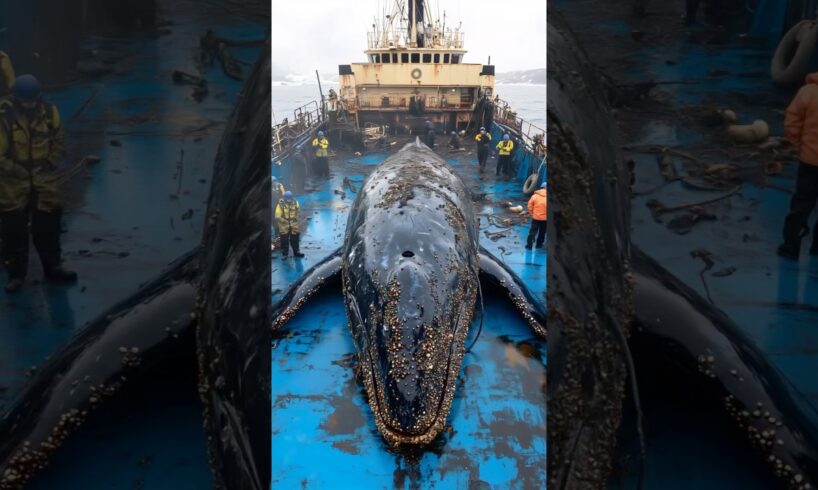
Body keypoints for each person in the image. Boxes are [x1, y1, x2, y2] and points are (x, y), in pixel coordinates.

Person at [0, 74, 77, 292]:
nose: (30, 105)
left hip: (43, 181)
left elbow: (59, 140)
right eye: (25, 102)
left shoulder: (50, 113)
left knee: (48, 228)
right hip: (13, 184)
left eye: (33, 101)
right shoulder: (3, 117)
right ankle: (15, 276)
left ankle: (53, 268)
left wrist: (50, 162)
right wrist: (19, 171)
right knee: (13, 233)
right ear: (16, 99)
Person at [780, 72, 818, 259]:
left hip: (809, 161)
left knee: (801, 204)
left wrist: (797, 145)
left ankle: (790, 247)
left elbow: (792, 122)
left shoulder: (807, 92)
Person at [275, 191, 304, 260]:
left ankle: (296, 252)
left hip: (293, 224)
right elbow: (277, 216)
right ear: (285, 198)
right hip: (284, 225)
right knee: (284, 240)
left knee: (295, 239)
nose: (289, 201)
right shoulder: (280, 204)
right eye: (288, 199)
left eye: (290, 199)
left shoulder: (295, 202)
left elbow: (298, 211)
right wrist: (284, 221)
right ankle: (285, 254)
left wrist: (296, 218)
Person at [526, 183, 547, 249]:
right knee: (542, 232)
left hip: (536, 218)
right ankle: (539, 245)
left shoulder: (535, 196)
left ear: (541, 188)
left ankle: (529, 246)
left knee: (532, 232)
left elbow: (529, 206)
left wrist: (532, 214)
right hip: (545, 219)